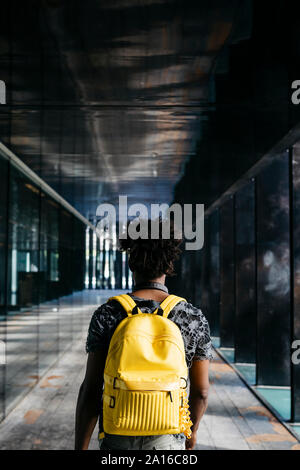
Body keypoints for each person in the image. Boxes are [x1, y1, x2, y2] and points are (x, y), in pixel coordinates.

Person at [75, 219, 213, 450]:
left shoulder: (109, 313)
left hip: (116, 435)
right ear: (170, 262)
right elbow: (201, 392)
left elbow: (91, 389)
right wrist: (191, 432)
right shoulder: (192, 317)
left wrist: (80, 446)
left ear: (131, 262)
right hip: (168, 438)